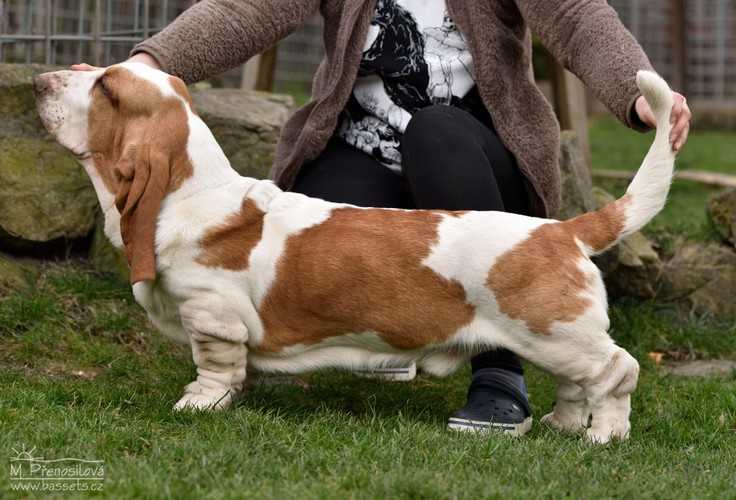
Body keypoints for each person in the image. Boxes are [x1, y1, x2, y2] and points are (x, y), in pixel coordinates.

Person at [74, 0, 691, 435]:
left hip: (472, 153)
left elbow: (578, 15)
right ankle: (376, 344)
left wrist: (635, 92)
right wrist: (145, 67)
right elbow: (244, 9)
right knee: (307, 241)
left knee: (436, 133)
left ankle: (500, 374)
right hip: (363, 148)